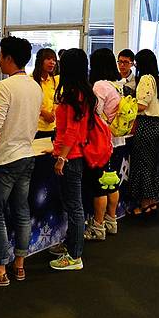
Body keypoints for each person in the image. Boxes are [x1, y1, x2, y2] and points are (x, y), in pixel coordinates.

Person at [0, 36, 42, 286]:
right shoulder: (35, 86)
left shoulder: (5, 86)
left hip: (5, 159)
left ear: (9, 58)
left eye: (0, 55)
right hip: (27, 154)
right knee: (22, 211)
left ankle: (0, 268)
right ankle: (19, 265)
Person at [48, 48, 95, 269]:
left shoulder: (74, 94)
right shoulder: (81, 92)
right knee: (72, 205)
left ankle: (75, 255)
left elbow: (72, 130)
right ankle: (71, 245)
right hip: (72, 154)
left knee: (74, 207)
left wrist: (62, 157)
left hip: (71, 157)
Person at [84, 48, 123, 241]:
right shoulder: (118, 85)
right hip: (117, 140)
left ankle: (98, 226)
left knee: (99, 186)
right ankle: (111, 220)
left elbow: (94, 112)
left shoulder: (100, 86)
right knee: (112, 183)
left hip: (101, 142)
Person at [128, 49, 159, 215]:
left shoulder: (146, 79)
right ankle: (153, 200)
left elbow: (142, 105)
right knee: (154, 164)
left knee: (142, 163)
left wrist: (126, 105)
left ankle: (144, 202)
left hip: (145, 125)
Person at [32, 48, 59, 139]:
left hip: (52, 127)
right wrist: (43, 113)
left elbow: (56, 100)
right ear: (40, 61)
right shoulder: (31, 80)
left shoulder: (55, 80)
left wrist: (53, 112)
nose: (52, 62)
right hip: (36, 128)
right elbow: (29, 103)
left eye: (54, 60)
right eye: (48, 59)